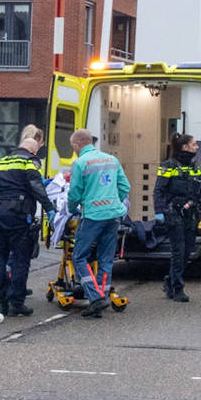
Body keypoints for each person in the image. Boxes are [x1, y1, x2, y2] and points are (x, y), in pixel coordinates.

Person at [0, 128, 49, 317]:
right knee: (21, 258)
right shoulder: (30, 161)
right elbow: (37, 187)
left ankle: (0, 301)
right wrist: (50, 208)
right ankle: (16, 302)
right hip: (17, 215)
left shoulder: (1, 162)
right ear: (34, 151)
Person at [65, 128, 130, 318]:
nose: (74, 150)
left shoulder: (80, 163)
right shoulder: (111, 159)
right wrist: (114, 202)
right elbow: (125, 186)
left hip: (93, 216)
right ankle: (102, 295)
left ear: (78, 144)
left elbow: (75, 192)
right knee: (105, 258)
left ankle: (94, 297)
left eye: (73, 147)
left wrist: (71, 208)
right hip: (113, 216)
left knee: (79, 256)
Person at [153, 132, 201, 302]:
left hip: (190, 214)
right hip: (173, 213)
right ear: (185, 147)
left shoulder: (194, 167)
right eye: (194, 144)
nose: (197, 147)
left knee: (188, 251)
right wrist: (160, 211)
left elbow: (199, 190)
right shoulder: (168, 166)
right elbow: (159, 190)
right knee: (178, 251)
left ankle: (170, 280)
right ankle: (177, 288)